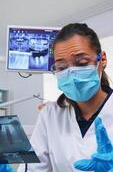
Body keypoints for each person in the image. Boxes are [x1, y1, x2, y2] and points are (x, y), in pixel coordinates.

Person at [15, 23, 113, 171]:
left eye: (81, 63)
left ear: (102, 59)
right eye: (61, 68)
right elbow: (34, 168)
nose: (72, 74)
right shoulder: (50, 115)